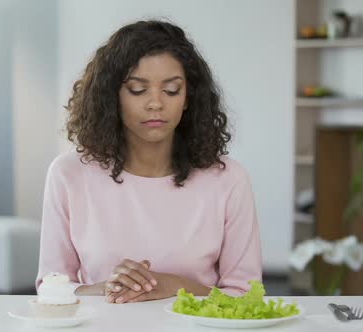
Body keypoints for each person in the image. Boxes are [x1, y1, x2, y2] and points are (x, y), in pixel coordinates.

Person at [36, 19, 262, 304]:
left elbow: (246, 295)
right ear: (112, 97)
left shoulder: (229, 179)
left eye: (171, 90)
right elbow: (50, 287)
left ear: (188, 98)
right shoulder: (68, 174)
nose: (155, 103)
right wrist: (109, 287)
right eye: (137, 90)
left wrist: (174, 285)